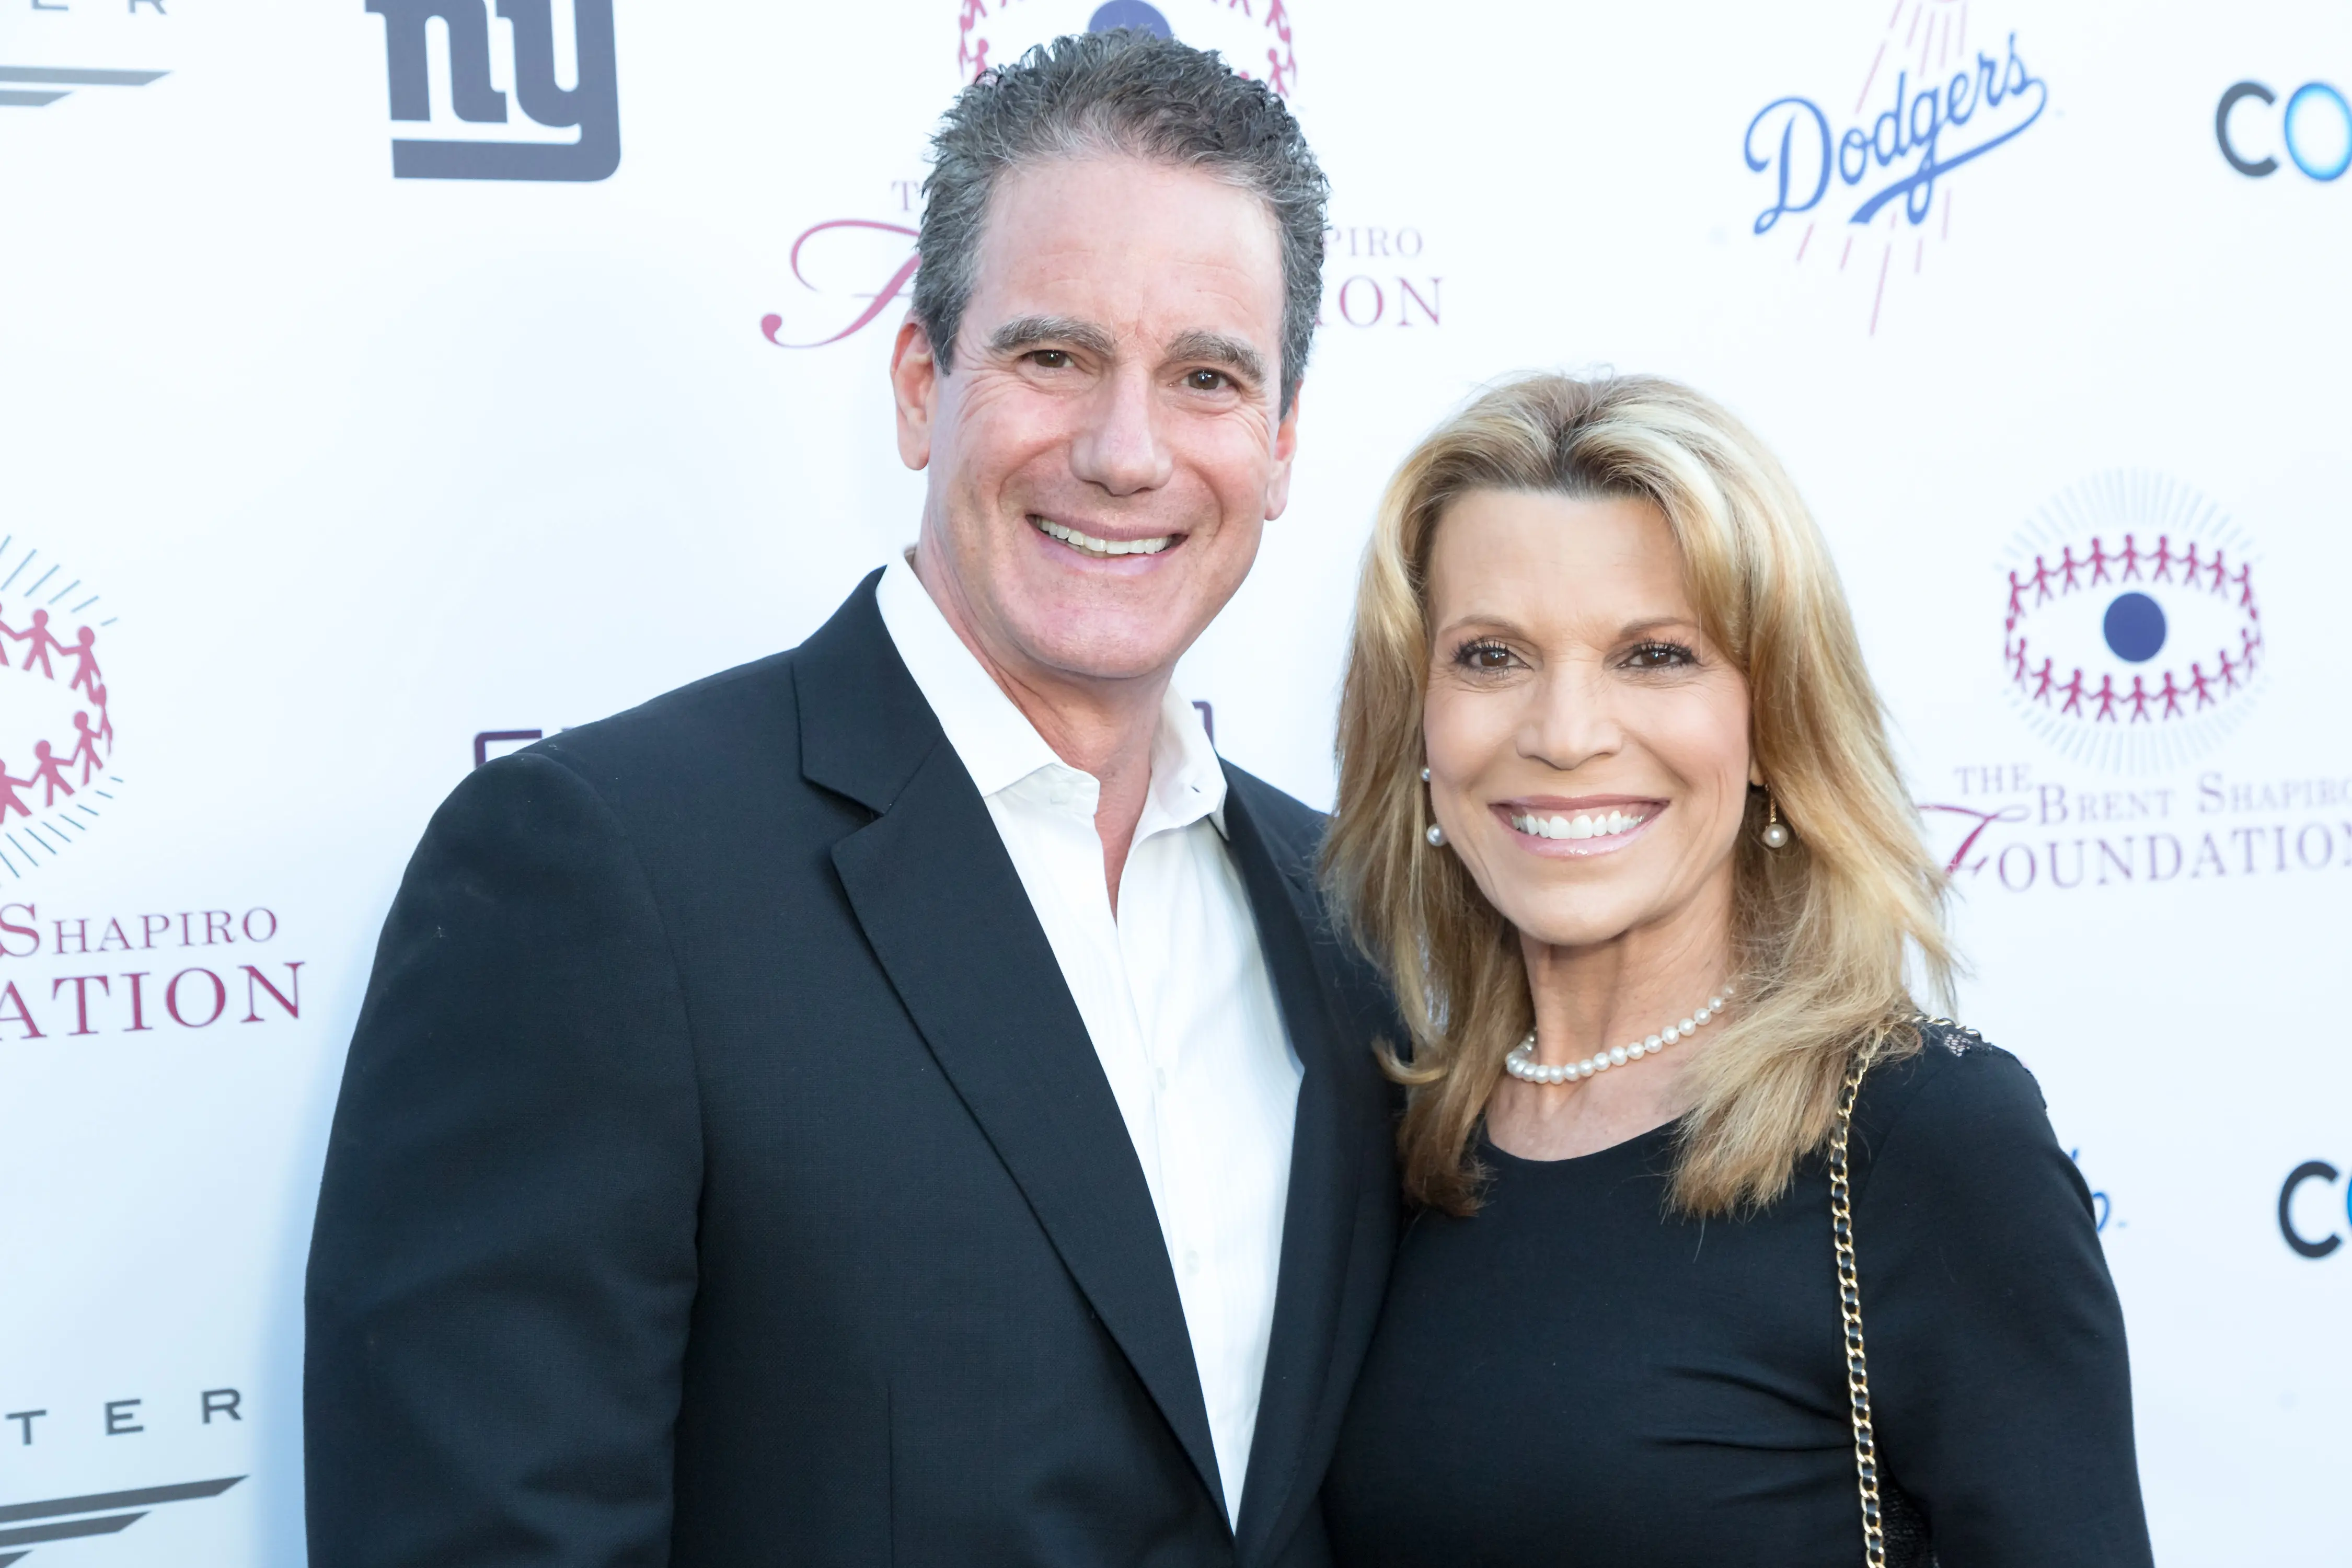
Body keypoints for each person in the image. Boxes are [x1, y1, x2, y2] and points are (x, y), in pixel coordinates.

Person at [306, 32, 1399, 1568]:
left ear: (1278, 448)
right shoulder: (602, 875)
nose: (1124, 450)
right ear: (915, 385)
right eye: (1052, 355)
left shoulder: (1337, 912)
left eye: (1206, 378)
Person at [1317, 375, 2153, 1565]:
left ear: (1772, 725)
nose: (1565, 733)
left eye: (1655, 656)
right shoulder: (1385, 1143)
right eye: (1492, 655)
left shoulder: (1921, 1139)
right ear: (1416, 724)